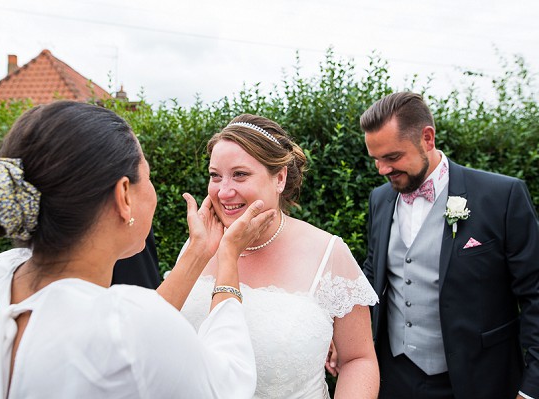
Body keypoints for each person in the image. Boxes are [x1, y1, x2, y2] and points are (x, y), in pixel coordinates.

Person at [0, 100, 276, 397]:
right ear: (123, 195)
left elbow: (132, 328)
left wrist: (198, 252)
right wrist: (228, 258)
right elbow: (229, 382)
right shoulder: (127, 325)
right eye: (148, 177)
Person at [177, 114, 379, 398]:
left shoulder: (328, 253)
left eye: (240, 174)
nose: (223, 191)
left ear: (280, 178)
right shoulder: (196, 245)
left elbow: (358, 359)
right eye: (215, 176)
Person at [360, 92, 539, 398]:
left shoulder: (501, 196)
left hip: (480, 380)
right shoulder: (380, 199)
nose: (382, 170)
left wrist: (532, 386)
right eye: (375, 159)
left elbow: (535, 293)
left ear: (427, 138)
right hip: (394, 378)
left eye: (392, 157)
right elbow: (372, 277)